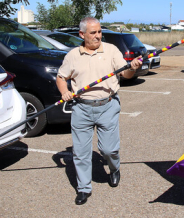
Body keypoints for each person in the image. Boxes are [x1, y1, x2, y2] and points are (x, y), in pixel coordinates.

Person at [56, 17, 142, 205]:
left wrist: (133, 68)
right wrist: (64, 91)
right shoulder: (72, 55)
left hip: (108, 106)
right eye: (93, 33)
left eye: (99, 32)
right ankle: (84, 188)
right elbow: (61, 77)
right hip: (81, 108)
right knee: (80, 152)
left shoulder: (111, 50)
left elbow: (125, 73)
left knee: (108, 149)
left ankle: (114, 168)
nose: (98, 36)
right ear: (82, 34)